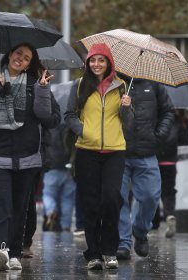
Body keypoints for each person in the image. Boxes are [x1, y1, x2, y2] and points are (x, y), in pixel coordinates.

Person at [0, 42, 60, 271]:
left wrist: (42, 90)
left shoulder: (35, 83)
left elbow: (50, 119)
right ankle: (1, 249)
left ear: (31, 63)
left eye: (27, 57)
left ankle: (16, 252)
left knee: (20, 208)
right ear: (9, 54)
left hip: (28, 158)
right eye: (18, 53)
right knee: (3, 205)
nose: (21, 59)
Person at [65, 43, 133, 270]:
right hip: (87, 151)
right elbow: (69, 115)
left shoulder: (122, 87)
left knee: (111, 200)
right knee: (90, 204)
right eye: (93, 60)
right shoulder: (79, 85)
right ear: (88, 62)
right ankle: (93, 253)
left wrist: (126, 107)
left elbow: (129, 123)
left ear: (109, 63)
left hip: (115, 151)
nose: (96, 64)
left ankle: (109, 250)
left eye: (101, 60)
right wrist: (84, 131)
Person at [116, 75, 174, 260]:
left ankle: (140, 231)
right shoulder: (114, 82)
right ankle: (122, 242)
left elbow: (168, 111)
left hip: (147, 151)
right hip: (119, 151)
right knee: (118, 199)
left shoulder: (154, 83)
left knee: (150, 196)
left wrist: (159, 135)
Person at [42, 82, 77, 233]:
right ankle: (66, 225)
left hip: (51, 168)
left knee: (49, 193)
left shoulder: (49, 126)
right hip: (68, 167)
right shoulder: (70, 127)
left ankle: (50, 211)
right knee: (67, 198)